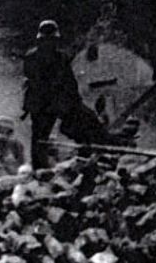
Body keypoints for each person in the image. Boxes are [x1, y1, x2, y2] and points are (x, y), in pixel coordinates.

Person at [23, 20, 113, 169]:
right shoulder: (34, 58)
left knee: (85, 120)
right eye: (47, 40)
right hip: (43, 103)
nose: (49, 44)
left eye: (51, 40)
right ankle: (40, 169)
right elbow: (37, 82)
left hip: (57, 101)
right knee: (40, 137)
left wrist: (74, 100)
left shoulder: (59, 57)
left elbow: (69, 82)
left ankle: (92, 150)